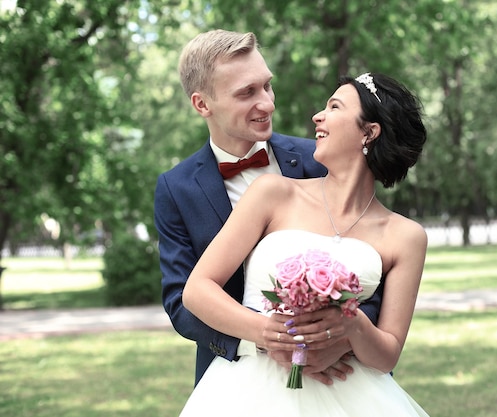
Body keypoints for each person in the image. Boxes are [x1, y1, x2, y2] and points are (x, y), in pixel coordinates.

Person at [179, 72, 430, 416]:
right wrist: (268, 333)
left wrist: (352, 325)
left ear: (369, 133)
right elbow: (196, 290)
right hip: (249, 392)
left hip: (349, 394)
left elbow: (387, 354)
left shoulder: (406, 237)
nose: (318, 116)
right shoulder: (273, 193)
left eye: (334, 107)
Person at [154, 29, 384, 386]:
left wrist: (340, 337)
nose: (268, 103)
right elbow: (180, 302)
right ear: (202, 104)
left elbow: (373, 258)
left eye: (267, 86)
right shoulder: (176, 189)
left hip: (339, 376)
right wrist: (263, 339)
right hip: (235, 377)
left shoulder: (319, 157)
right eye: (247, 93)